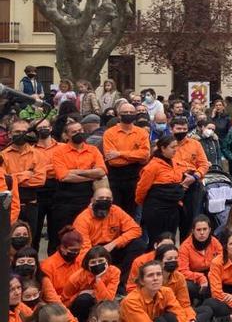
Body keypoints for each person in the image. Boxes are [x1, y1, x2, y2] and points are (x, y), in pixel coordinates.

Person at [73, 187, 147, 295]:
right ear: (92, 200)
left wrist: (113, 244)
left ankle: (121, 283)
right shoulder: (82, 219)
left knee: (139, 244)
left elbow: (135, 229)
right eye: (101, 198)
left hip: (113, 247)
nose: (104, 201)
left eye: (107, 198)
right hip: (93, 252)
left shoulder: (116, 210)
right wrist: (98, 255)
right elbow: (84, 251)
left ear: (112, 201)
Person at [50, 121, 107, 254]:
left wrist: (76, 171)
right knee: (62, 234)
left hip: (87, 198)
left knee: (85, 233)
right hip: (64, 201)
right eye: (74, 132)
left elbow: (102, 171)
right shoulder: (59, 151)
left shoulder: (93, 150)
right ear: (67, 136)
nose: (79, 133)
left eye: (80, 130)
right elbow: (63, 176)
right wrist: (91, 174)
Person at [2, 119, 47, 238]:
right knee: (7, 239)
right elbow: (4, 182)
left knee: (31, 239)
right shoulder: (2, 155)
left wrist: (13, 177)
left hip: (31, 204)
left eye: (24, 131)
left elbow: (40, 180)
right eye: (17, 131)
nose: (21, 134)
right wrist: (26, 174)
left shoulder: (38, 154)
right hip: (8, 206)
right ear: (10, 134)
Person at [135, 135, 184, 243]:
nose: (175, 149)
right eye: (172, 147)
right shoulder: (152, 166)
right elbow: (141, 189)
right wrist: (143, 203)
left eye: (176, 146)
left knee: (171, 238)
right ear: (163, 148)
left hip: (172, 208)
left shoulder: (174, 162)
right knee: (157, 240)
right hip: (157, 210)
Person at [169, 117, 209, 238]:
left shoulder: (195, 144)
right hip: (172, 187)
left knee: (189, 222)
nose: (182, 131)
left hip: (193, 185)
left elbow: (204, 164)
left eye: (184, 129)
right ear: (172, 129)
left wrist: (195, 176)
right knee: (170, 223)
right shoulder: (166, 144)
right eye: (178, 129)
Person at [63, 246, 121, 322]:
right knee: (84, 299)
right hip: (79, 308)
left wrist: (98, 279)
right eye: (93, 262)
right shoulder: (76, 277)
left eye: (100, 261)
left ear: (107, 261)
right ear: (87, 264)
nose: (97, 264)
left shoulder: (115, 272)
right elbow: (64, 301)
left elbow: (106, 300)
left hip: (102, 307)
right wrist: (79, 294)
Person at [119, 261, 188, 322]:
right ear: (142, 281)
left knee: (170, 317)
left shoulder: (167, 291)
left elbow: (180, 314)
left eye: (158, 274)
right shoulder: (131, 301)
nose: (155, 278)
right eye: (150, 275)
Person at [178, 215, 223, 305]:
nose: (202, 233)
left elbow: (223, 262)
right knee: (187, 285)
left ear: (209, 230)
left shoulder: (215, 242)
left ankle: (206, 301)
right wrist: (200, 277)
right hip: (194, 278)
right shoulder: (185, 247)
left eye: (205, 229)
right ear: (193, 231)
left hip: (213, 275)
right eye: (198, 230)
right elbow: (182, 271)